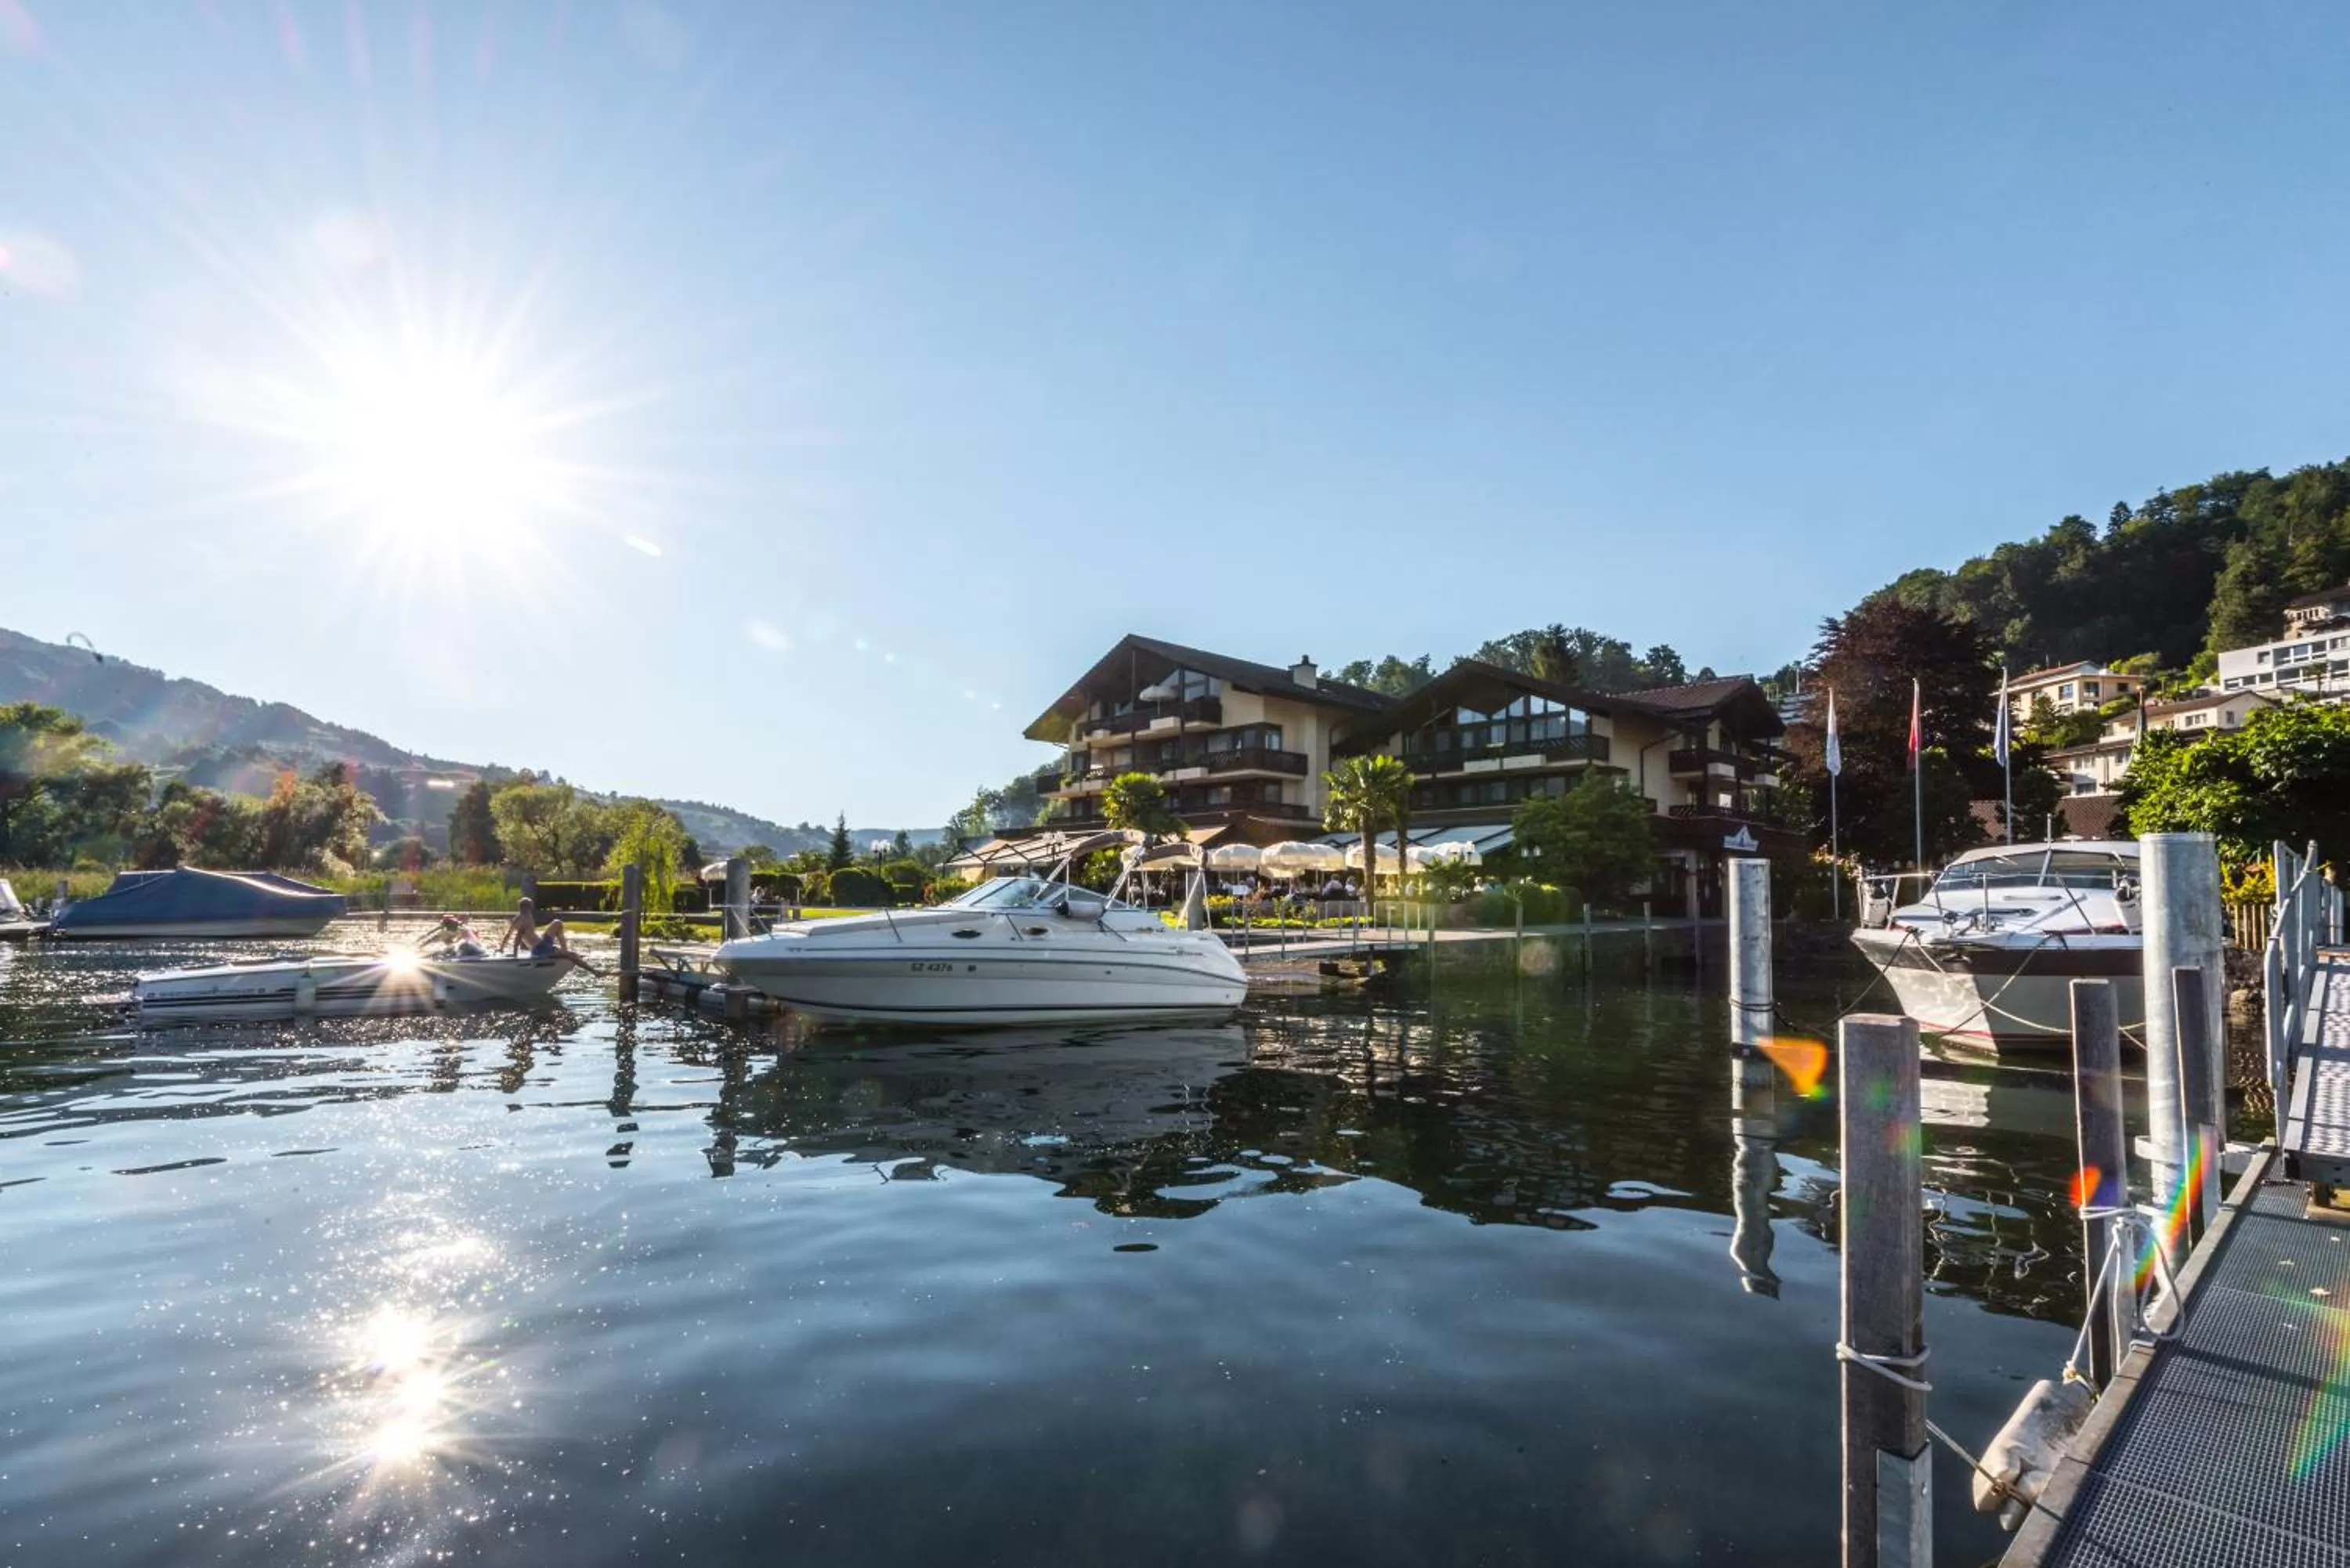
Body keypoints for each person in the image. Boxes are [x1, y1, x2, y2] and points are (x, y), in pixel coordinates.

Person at [502, 896, 572, 960]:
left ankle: (564, 950)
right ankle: (565, 953)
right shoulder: (523, 921)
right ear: (526, 907)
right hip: (539, 949)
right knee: (571, 955)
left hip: (542, 942)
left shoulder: (519, 918)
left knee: (557, 923)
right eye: (529, 906)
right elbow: (518, 937)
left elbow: (508, 935)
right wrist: (515, 954)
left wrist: (501, 948)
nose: (531, 908)